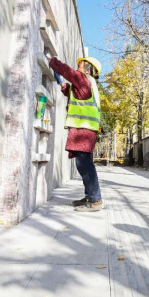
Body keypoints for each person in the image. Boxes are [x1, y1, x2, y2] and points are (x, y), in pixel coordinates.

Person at [48, 54, 104, 212]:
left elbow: (69, 72)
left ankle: (95, 200)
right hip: (85, 130)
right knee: (84, 164)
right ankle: (90, 197)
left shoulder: (84, 80)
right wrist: (62, 84)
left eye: (82, 64)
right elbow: (73, 92)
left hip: (84, 130)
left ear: (89, 69)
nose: (78, 66)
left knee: (84, 164)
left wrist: (52, 61)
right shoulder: (85, 84)